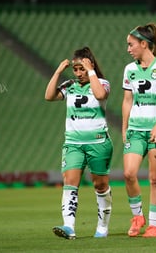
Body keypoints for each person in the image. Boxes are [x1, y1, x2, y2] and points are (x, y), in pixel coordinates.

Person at [45, 47, 113, 239]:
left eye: (82, 68)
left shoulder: (102, 83)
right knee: (70, 181)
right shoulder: (70, 85)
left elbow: (100, 95)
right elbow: (49, 96)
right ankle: (69, 227)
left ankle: (102, 227)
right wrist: (58, 71)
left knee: (100, 185)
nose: (78, 73)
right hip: (73, 143)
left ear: (90, 65)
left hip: (98, 142)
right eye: (76, 69)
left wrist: (91, 71)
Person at [122, 23, 156, 238]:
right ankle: (138, 216)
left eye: (131, 44)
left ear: (144, 44)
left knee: (155, 179)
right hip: (136, 130)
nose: (128, 49)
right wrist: (125, 128)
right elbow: (127, 100)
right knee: (128, 174)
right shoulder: (129, 69)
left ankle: (153, 225)